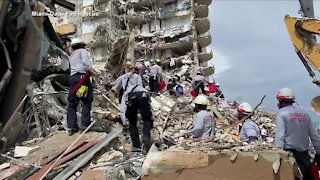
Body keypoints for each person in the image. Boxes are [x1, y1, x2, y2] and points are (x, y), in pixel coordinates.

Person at [275, 87, 320, 180]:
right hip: (305, 156)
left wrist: (277, 153)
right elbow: (314, 135)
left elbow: (280, 135)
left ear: (280, 101)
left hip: (291, 155)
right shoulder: (304, 113)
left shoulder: (281, 113)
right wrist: (319, 152)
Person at [67, 38, 93, 136]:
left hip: (73, 79)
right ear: (82, 45)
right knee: (86, 100)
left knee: (72, 102)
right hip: (82, 79)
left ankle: (71, 127)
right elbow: (86, 64)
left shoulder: (72, 55)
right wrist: (91, 71)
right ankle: (85, 125)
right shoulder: (83, 51)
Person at [120, 84, 153, 153]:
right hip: (143, 96)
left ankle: (136, 146)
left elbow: (123, 107)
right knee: (147, 119)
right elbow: (149, 103)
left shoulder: (127, 92)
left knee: (132, 122)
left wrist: (124, 120)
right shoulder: (143, 89)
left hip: (132, 99)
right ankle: (146, 136)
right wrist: (151, 115)